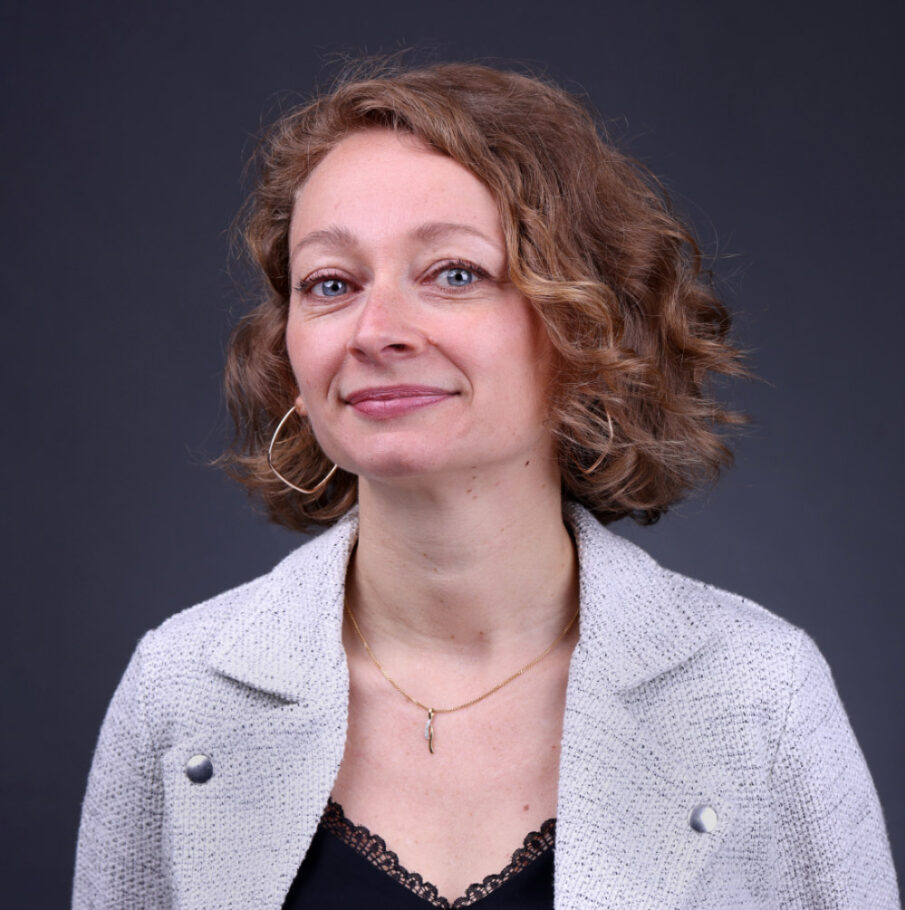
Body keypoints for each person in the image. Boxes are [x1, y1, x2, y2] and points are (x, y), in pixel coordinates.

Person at [72, 60, 900, 909]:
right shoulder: (180, 691)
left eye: (453, 273)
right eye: (331, 284)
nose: (376, 330)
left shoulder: (757, 693)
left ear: (584, 322)